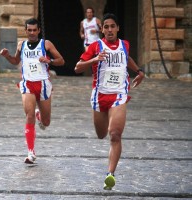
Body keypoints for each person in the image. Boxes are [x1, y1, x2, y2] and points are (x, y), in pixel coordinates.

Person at [74, 13, 144, 190]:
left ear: (118, 28)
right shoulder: (96, 46)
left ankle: (110, 175)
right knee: (101, 134)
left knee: (115, 134)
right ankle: (106, 127)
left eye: (113, 26)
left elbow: (126, 58)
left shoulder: (124, 44)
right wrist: (94, 59)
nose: (110, 30)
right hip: (99, 97)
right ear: (102, 29)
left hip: (119, 95)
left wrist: (139, 71)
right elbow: (77, 67)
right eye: (106, 27)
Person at [0, 18, 65, 164]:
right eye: (29, 30)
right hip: (28, 84)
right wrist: (7, 56)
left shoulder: (46, 44)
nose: (32, 33)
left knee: (46, 122)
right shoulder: (21, 45)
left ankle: (39, 116)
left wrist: (50, 61)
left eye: (34, 30)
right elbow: (16, 61)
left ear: (39, 30)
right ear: (26, 30)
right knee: (28, 115)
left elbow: (61, 60)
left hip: (43, 84)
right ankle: (31, 152)